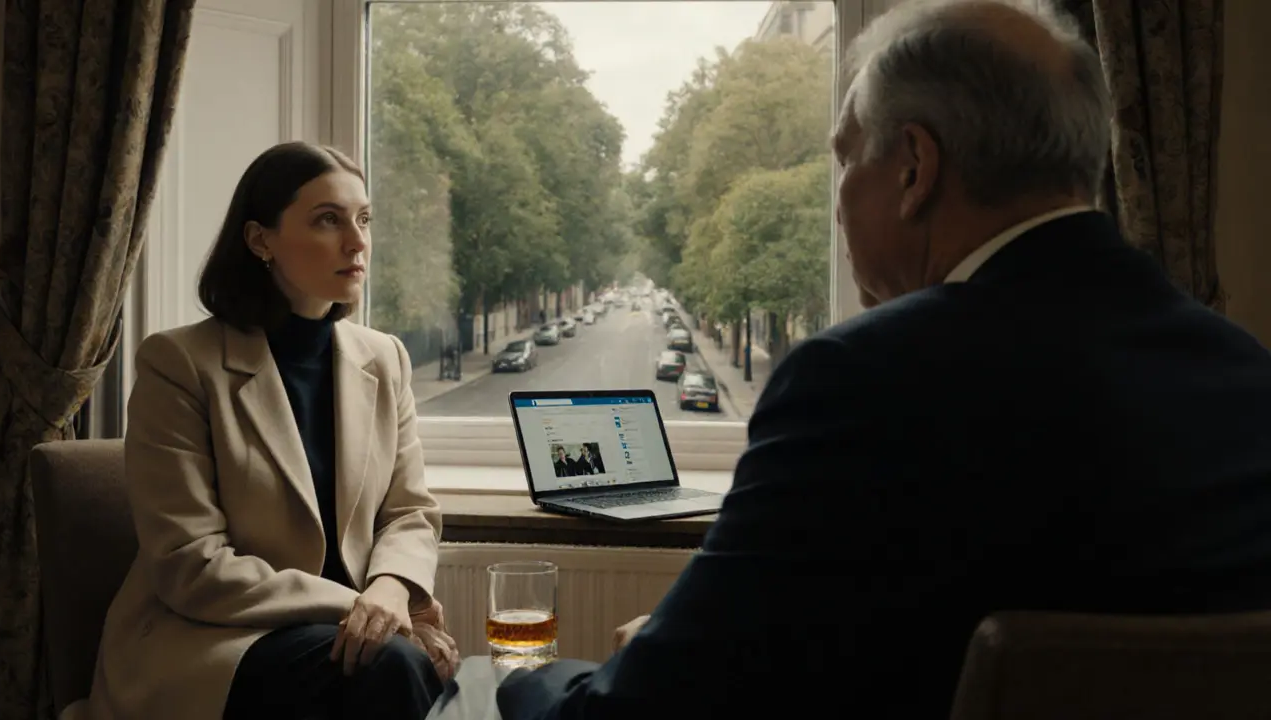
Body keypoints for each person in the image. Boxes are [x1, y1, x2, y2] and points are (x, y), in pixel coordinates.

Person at [497, 1, 1271, 718]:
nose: (838, 197)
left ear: (913, 169)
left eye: (843, 161)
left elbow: (641, 713)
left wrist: (525, 681)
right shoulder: (1244, 370)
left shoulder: (861, 382)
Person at [81, 142, 458, 720]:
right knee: (394, 666)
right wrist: (364, 608)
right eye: (328, 220)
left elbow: (408, 512)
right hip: (215, 640)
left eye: (363, 219)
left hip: (349, 634)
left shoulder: (386, 358)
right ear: (260, 240)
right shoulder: (177, 364)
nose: (357, 241)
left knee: (408, 666)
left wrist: (391, 588)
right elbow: (193, 565)